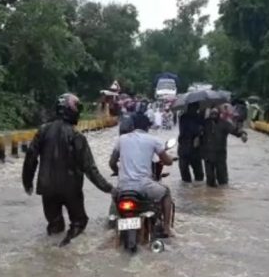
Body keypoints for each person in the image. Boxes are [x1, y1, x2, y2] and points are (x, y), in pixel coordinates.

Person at [22, 93, 114, 246]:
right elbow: (89, 168)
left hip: (47, 188)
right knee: (79, 222)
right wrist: (108, 188)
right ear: (70, 110)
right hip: (71, 189)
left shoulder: (43, 130)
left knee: (55, 225)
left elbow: (30, 158)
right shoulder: (76, 136)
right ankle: (66, 248)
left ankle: (51, 255)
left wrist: (27, 182)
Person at [109, 113, 176, 237]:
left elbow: (112, 163)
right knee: (166, 193)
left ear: (133, 126)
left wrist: (119, 173)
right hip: (144, 185)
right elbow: (167, 161)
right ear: (147, 127)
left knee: (114, 196)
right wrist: (171, 159)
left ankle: (113, 224)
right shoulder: (153, 140)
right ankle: (166, 228)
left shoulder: (121, 139)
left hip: (123, 186)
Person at [202, 105, 248, 188]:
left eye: (215, 114)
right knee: (210, 179)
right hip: (208, 155)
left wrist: (242, 134)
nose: (213, 116)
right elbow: (198, 132)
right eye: (212, 114)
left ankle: (222, 196)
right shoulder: (206, 123)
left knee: (222, 180)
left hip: (220, 155)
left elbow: (234, 130)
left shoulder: (224, 124)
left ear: (219, 114)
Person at [177, 102, 205, 183]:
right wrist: (198, 132)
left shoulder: (199, 117)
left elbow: (203, 130)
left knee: (198, 173)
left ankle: (195, 189)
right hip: (185, 147)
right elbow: (190, 130)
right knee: (185, 172)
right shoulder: (183, 117)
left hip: (193, 148)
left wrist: (199, 134)